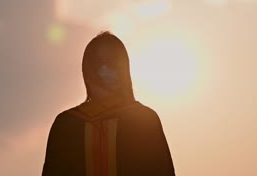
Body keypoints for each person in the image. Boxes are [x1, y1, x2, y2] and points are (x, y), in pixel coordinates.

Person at [42, 31, 175, 176]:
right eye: (98, 63)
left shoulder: (145, 121)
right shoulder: (66, 125)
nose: (104, 71)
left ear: (124, 69)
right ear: (87, 71)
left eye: (112, 63)